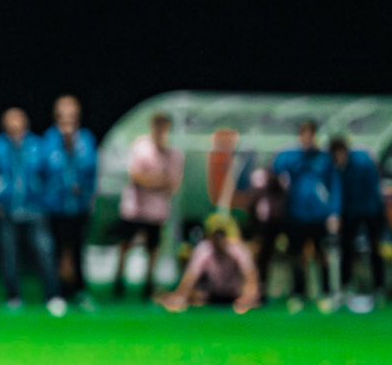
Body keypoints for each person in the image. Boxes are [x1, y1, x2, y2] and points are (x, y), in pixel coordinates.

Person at [0, 107, 57, 311]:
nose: (14, 124)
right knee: (9, 255)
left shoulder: (38, 145)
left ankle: (53, 296)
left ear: (25, 122)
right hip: (7, 211)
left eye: (17, 120)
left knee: (45, 252)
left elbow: (51, 178)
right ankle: (13, 297)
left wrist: (45, 202)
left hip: (35, 210)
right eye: (10, 120)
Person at [112, 112, 184, 302]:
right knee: (125, 246)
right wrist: (156, 181)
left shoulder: (174, 154)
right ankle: (118, 281)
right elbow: (136, 176)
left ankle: (148, 285)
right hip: (134, 209)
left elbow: (172, 182)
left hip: (157, 211)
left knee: (153, 249)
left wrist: (151, 181)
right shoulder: (140, 146)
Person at [272, 120, 340, 312]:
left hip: (318, 215)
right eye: (304, 133)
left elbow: (334, 186)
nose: (307, 137)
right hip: (295, 215)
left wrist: (333, 212)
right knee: (296, 256)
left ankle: (326, 294)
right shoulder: (290, 157)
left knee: (321, 255)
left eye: (310, 133)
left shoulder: (324, 159)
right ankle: (297, 295)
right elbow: (276, 171)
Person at [37, 95, 97, 311]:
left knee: (77, 250)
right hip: (54, 208)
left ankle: (79, 292)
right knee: (55, 251)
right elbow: (42, 173)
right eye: (64, 114)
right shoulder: (48, 140)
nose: (68, 119)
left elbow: (91, 171)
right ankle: (56, 293)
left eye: (72, 114)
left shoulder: (86, 139)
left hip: (79, 207)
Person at [158, 214, 260, 313]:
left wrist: (248, 298)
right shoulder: (204, 249)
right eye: (216, 234)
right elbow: (190, 278)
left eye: (222, 234)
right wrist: (180, 297)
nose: (219, 239)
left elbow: (251, 278)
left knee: (250, 299)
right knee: (194, 297)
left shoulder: (238, 249)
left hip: (235, 293)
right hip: (210, 293)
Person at [331, 135, 385, 307]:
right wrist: (336, 213)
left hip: (371, 211)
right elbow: (337, 191)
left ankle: (379, 288)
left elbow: (373, 189)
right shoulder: (336, 167)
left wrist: (372, 212)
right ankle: (344, 287)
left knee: (374, 248)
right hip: (349, 212)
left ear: (344, 151)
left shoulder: (363, 162)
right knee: (346, 249)